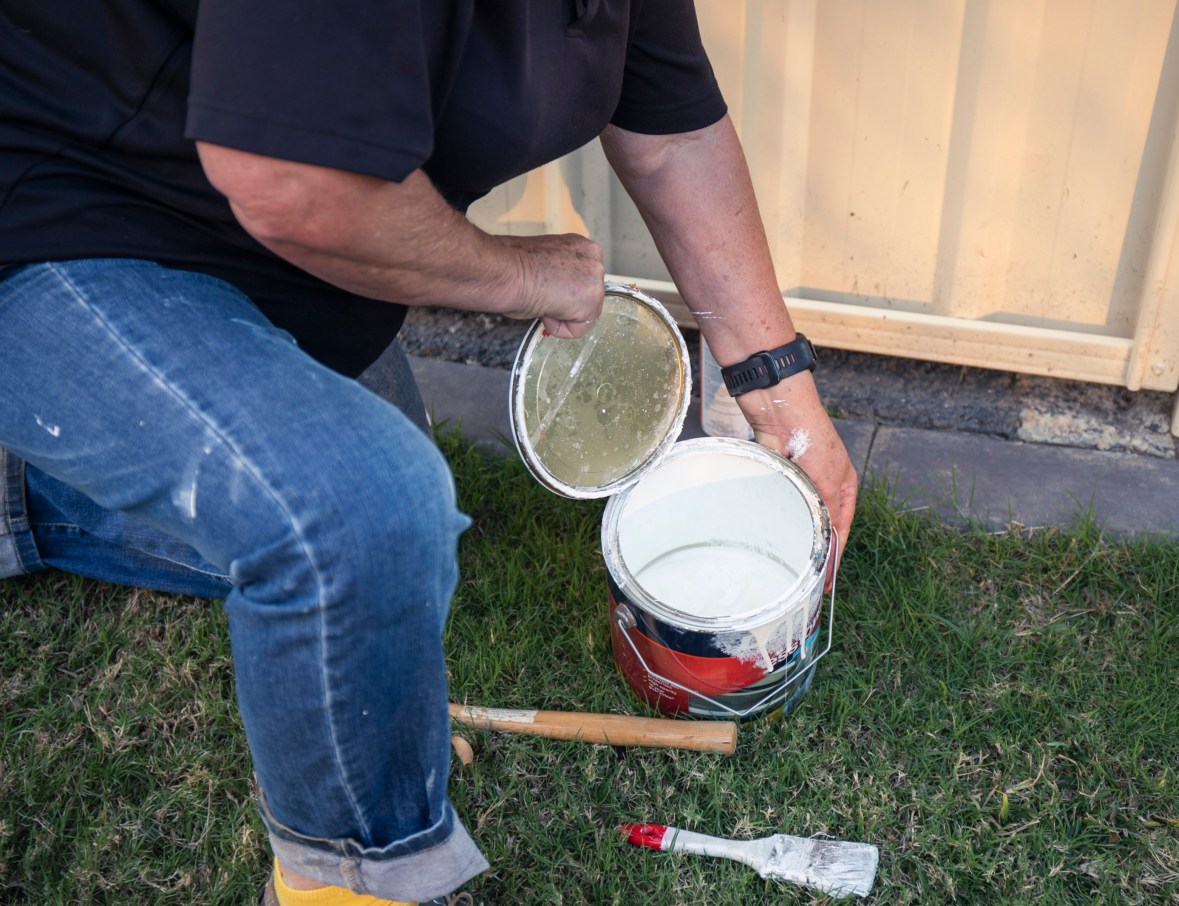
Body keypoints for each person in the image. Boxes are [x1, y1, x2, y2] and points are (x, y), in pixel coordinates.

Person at [0, 1, 858, 903]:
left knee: (393, 528)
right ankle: (351, 881)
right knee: (363, 515)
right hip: (61, 220)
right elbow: (294, 185)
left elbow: (673, 137)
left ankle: (22, 493)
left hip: (269, 264)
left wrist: (787, 399)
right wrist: (522, 275)